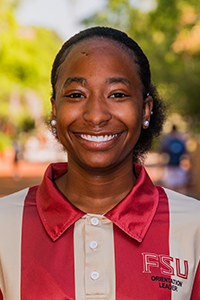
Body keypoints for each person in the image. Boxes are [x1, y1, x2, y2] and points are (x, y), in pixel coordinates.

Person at [0, 27, 199, 300]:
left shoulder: (195, 226)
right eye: (76, 94)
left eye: (117, 94)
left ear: (145, 109)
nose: (96, 116)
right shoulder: (3, 224)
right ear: (55, 109)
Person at [161, 124, 190, 193]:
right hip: (174, 166)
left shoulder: (168, 141)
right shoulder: (178, 141)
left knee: (174, 188)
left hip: (174, 166)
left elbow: (162, 153)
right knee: (176, 187)